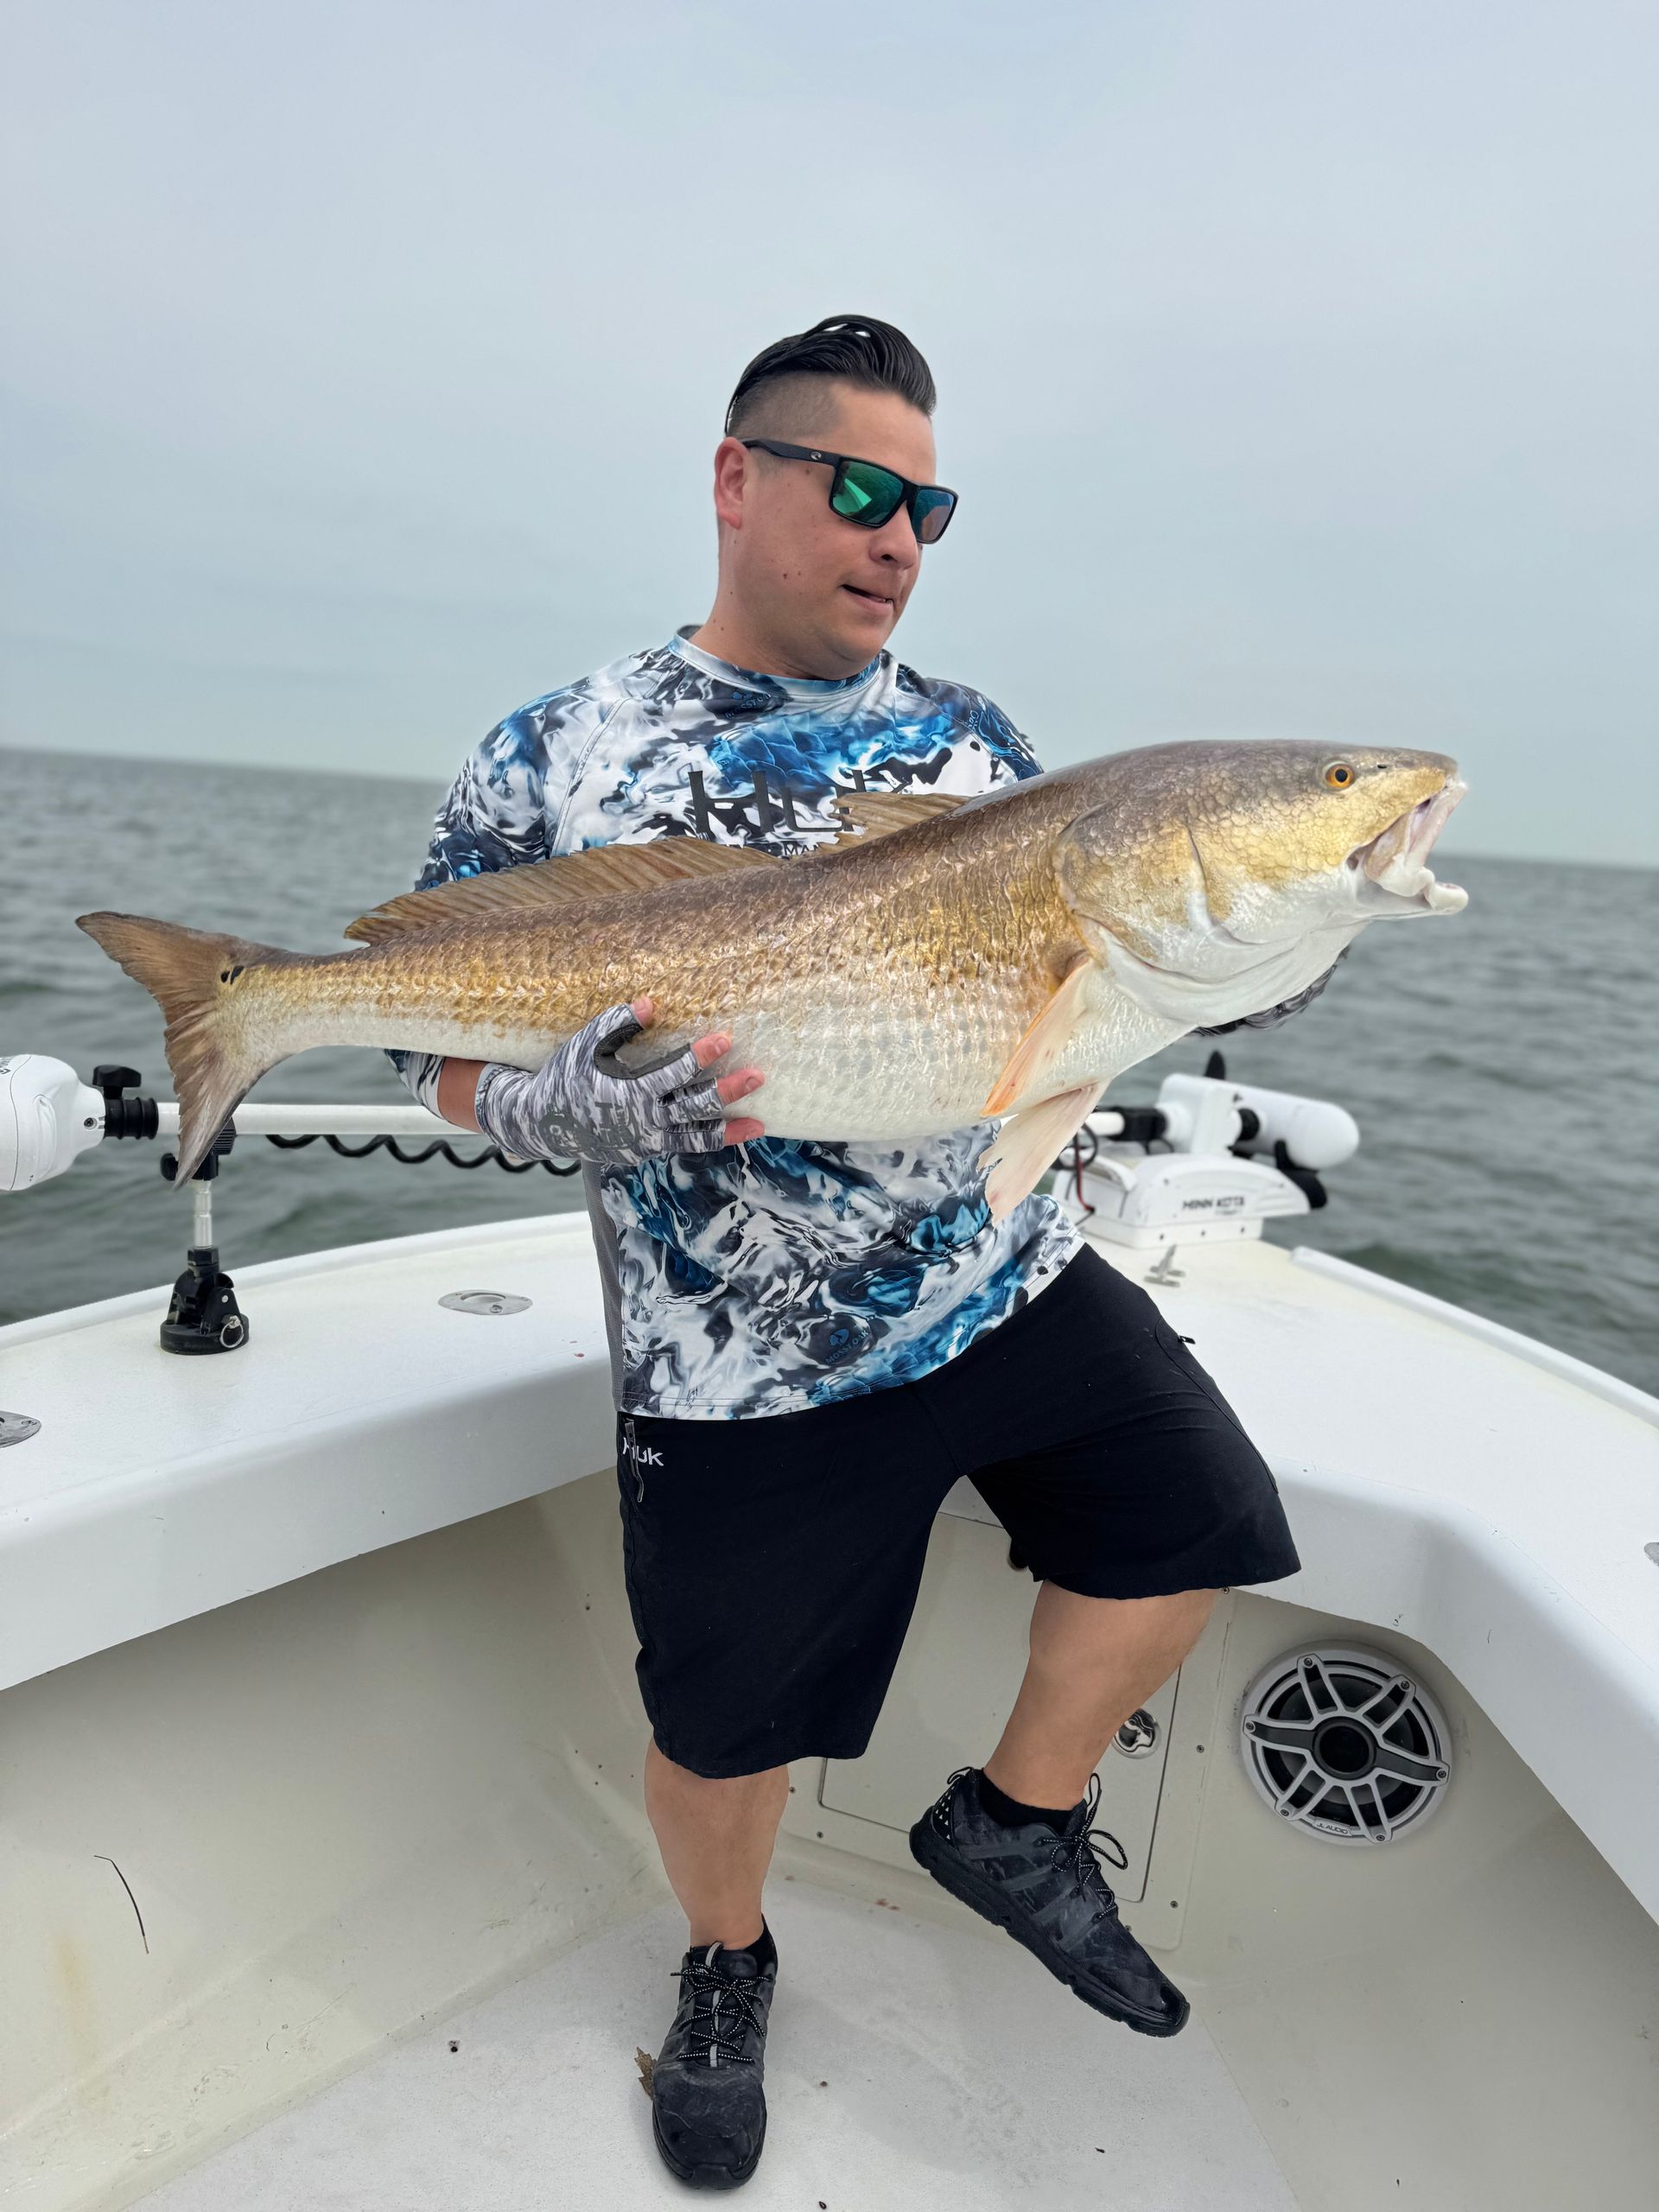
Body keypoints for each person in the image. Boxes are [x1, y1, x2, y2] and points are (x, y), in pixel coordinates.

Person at [394, 315, 1300, 2190]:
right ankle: (727, 1962)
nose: (900, 538)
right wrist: (542, 1104)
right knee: (724, 1731)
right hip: (736, 1352)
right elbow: (433, 1044)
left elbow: (1078, 982)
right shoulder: (558, 752)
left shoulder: (977, 746)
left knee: (1203, 1522)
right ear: (739, 480)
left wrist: (1233, 965)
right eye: (866, 490)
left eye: (930, 510)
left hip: (1002, 1277)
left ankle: (1017, 1820)